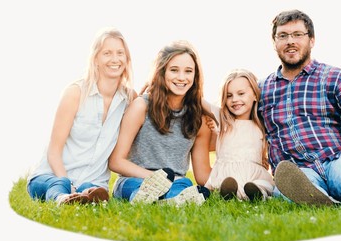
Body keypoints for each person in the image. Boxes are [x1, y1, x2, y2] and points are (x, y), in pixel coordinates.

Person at [258, 9, 341, 207]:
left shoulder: (336, 77)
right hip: (296, 170)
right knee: (288, 182)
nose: (290, 41)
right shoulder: (261, 89)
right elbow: (237, 124)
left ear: (311, 40)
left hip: (338, 157)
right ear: (274, 43)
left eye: (298, 34)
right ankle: (320, 202)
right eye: (283, 36)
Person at [27, 27, 136, 205]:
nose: (115, 59)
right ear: (96, 59)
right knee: (59, 184)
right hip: (51, 176)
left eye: (120, 53)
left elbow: (148, 106)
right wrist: (68, 184)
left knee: (91, 189)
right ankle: (63, 199)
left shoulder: (129, 99)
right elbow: (54, 151)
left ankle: (85, 198)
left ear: (127, 58)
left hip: (92, 182)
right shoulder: (76, 93)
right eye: (107, 53)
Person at [108, 40, 212, 206]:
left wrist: (237, 183)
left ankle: (163, 203)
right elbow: (116, 161)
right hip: (133, 180)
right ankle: (145, 198)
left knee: (185, 185)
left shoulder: (199, 120)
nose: (181, 77)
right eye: (174, 70)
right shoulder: (141, 106)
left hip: (176, 182)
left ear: (195, 76)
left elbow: (202, 176)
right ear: (161, 72)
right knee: (140, 187)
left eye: (188, 71)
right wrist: (156, 180)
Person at [204, 69, 274, 201]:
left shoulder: (261, 125)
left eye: (241, 93)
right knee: (227, 183)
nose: (235, 99)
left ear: (255, 95)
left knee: (260, 184)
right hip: (227, 174)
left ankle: (256, 194)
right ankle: (229, 192)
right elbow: (199, 101)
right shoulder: (223, 119)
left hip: (253, 175)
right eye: (229, 95)